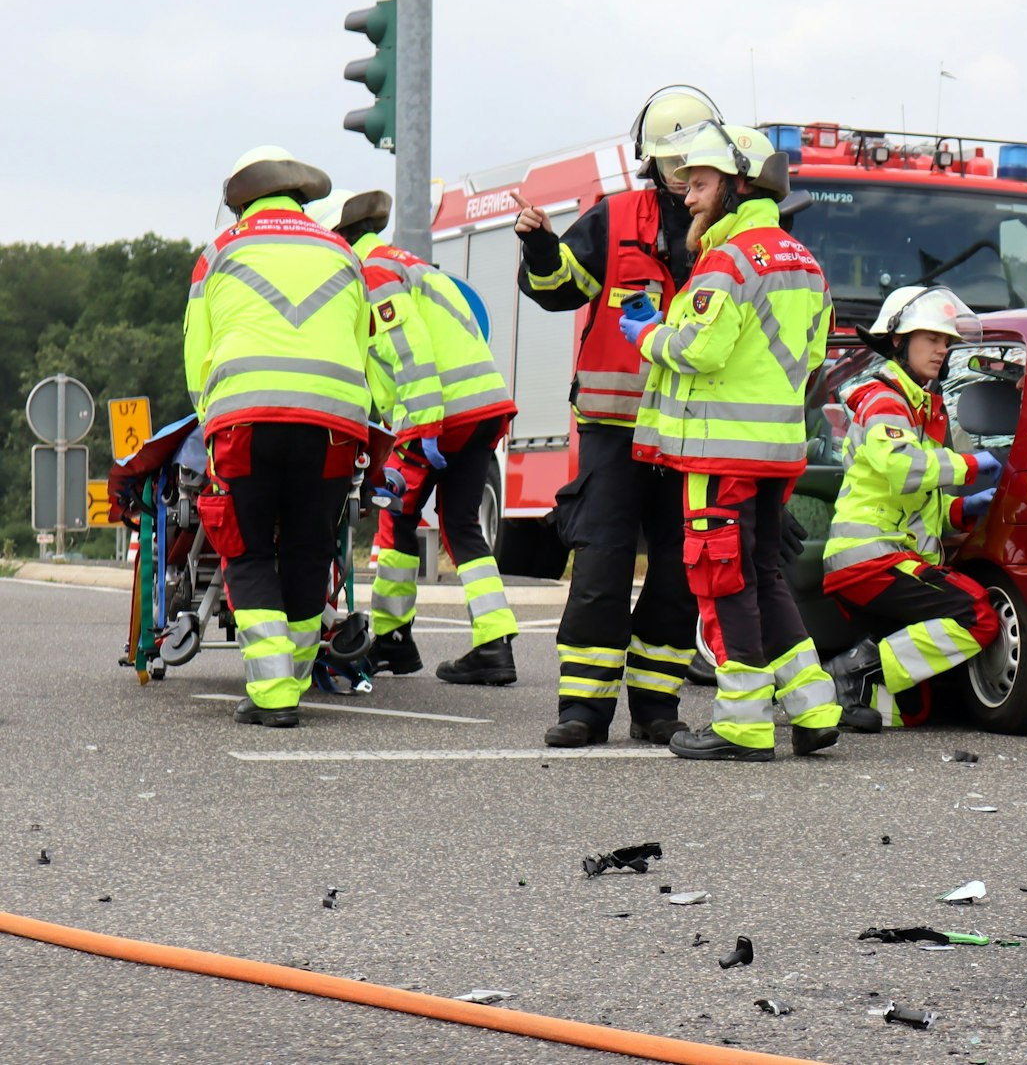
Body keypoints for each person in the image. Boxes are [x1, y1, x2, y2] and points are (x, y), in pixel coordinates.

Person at [513, 86, 720, 747]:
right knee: (600, 567)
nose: (684, 173)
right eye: (673, 159)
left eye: (696, 160)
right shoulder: (616, 216)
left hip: (692, 434)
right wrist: (543, 249)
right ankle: (583, 708)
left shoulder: (731, 236)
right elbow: (559, 288)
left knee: (677, 574)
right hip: (614, 429)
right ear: (651, 162)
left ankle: (658, 707)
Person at [629, 119, 840, 761]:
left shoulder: (728, 260)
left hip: (721, 452)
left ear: (735, 184)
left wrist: (646, 333)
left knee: (720, 580)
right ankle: (814, 708)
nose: (686, 197)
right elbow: (811, 357)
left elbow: (701, 347)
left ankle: (742, 724)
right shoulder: (804, 261)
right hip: (777, 451)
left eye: (697, 183)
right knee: (765, 577)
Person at [184, 147, 374, 728]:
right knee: (309, 549)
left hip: (246, 419)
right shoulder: (343, 252)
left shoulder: (220, 251)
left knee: (246, 549)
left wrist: (209, 417)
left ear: (240, 199)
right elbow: (362, 343)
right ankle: (290, 680)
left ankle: (272, 695)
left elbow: (197, 354)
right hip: (334, 424)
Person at [309, 189, 521, 684]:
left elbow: (408, 352)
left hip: (438, 414)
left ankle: (393, 642)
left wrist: (421, 425)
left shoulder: (374, 274)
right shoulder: (411, 265)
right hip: (481, 405)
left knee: (395, 518)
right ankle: (495, 643)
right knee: (462, 524)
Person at [818, 286, 1004, 729]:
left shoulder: (918, 404)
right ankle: (854, 669)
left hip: (888, 557)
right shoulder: (887, 400)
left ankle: (835, 691)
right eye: (931, 338)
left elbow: (920, 505)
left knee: (913, 711)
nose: (942, 349)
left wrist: (964, 511)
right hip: (870, 558)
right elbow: (903, 469)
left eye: (946, 341)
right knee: (978, 615)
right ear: (899, 339)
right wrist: (971, 466)